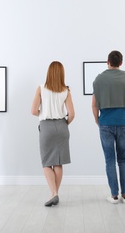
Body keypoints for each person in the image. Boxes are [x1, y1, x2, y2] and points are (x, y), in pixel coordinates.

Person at [92, 50, 125, 204]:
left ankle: (114, 195)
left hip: (105, 123)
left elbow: (94, 105)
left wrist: (98, 121)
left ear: (108, 62)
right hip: (123, 123)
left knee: (110, 160)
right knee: (123, 159)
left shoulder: (99, 80)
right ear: (121, 63)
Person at [31, 61, 75, 207]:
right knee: (58, 162)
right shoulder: (66, 90)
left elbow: (33, 110)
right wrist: (64, 124)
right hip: (62, 126)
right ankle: (54, 193)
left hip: (46, 127)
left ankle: (54, 193)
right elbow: (72, 114)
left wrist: (42, 113)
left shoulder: (41, 88)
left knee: (46, 162)